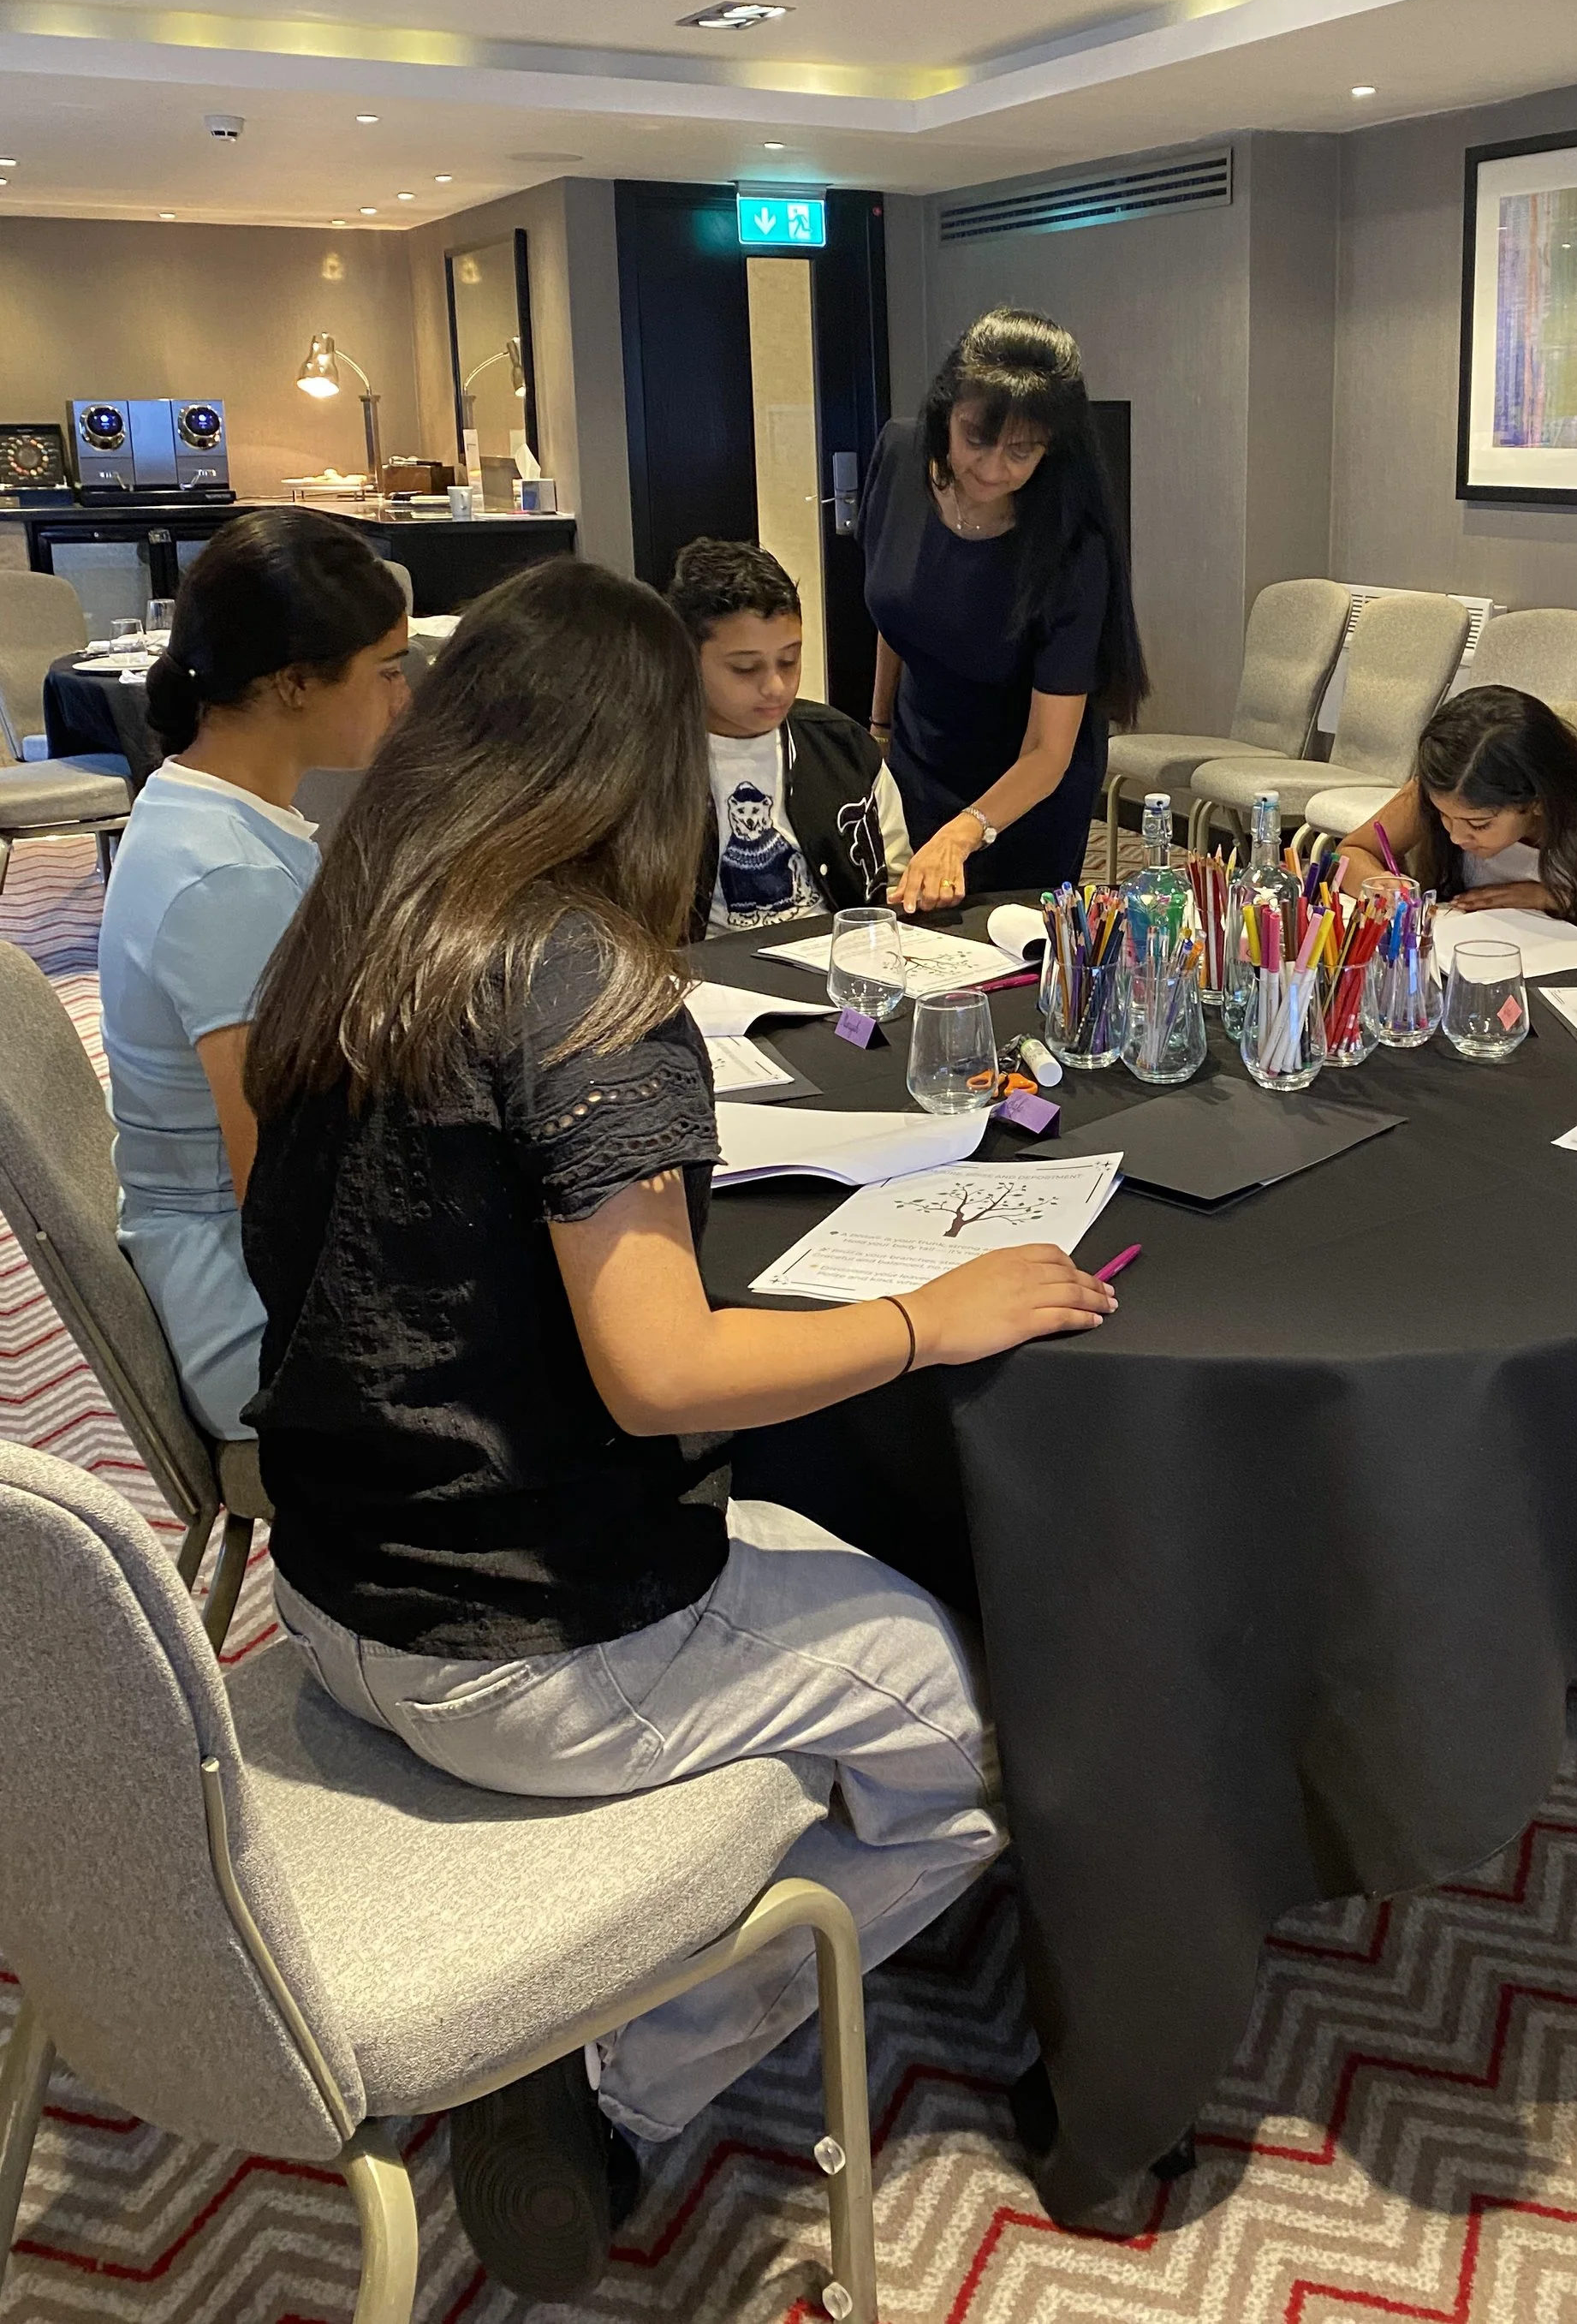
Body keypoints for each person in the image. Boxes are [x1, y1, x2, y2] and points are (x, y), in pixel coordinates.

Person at [239, 556, 1116, 2301]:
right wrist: (924, 1318)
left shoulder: (353, 922)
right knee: (968, 1746)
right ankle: (619, 2073)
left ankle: (638, 1902)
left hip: (327, 1600)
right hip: (516, 1647)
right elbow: (659, 1375)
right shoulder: (573, 976)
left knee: (816, 1616)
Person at [95, 509, 409, 1439]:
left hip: (242, 1265)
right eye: (385, 673)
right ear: (295, 685)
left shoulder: (209, 810)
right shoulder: (224, 876)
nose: (403, 701)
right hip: (255, 1325)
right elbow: (280, 1191)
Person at [862, 307, 1146, 909]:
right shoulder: (898, 457)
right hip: (921, 751)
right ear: (947, 412)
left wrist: (965, 832)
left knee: (1002, 956)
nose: (993, 468)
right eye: (976, 438)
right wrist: (879, 729)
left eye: (1021, 451)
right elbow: (898, 610)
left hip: (1026, 790)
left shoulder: (1073, 544)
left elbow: (1049, 751)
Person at [665, 534, 910, 935]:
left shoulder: (839, 747)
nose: (776, 686)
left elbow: (894, 876)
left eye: (789, 660)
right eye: (745, 668)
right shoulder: (645, 761)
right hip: (708, 979)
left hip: (839, 967)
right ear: (686, 656)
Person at [1332, 683, 1577, 933]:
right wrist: (1381, 884)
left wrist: (1560, 900)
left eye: (1479, 825)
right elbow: (1351, 852)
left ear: (1537, 800)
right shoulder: (1446, 792)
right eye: (1443, 817)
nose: (1455, 836)